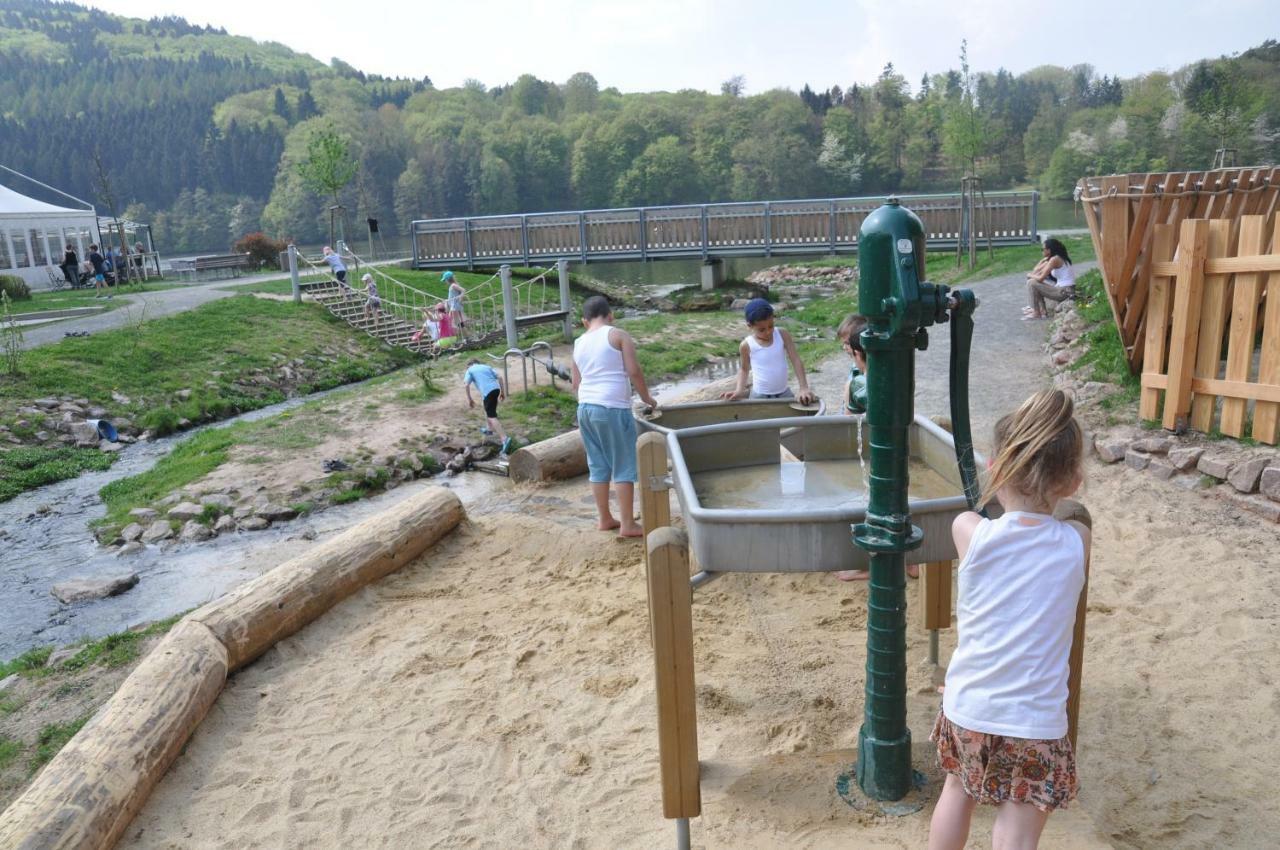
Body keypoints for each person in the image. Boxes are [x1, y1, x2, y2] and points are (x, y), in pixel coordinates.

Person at [928, 389, 1090, 850]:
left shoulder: (968, 532)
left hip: (969, 707)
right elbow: (1072, 520)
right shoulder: (1077, 541)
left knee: (956, 793)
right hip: (1035, 719)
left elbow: (981, 522)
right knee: (1017, 825)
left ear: (996, 468)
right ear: (1074, 481)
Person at [571, 295, 658, 539]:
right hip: (612, 407)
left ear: (584, 321)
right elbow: (634, 371)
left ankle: (605, 519)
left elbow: (575, 383)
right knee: (623, 465)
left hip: (585, 408)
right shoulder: (618, 335)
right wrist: (647, 399)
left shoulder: (578, 342)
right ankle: (628, 524)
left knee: (597, 465)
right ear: (611, 315)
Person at [720, 298, 815, 403]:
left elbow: (796, 360)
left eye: (771, 326)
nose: (768, 332)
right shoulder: (747, 345)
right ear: (749, 326)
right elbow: (744, 369)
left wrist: (803, 387)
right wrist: (739, 390)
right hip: (759, 396)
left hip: (784, 393)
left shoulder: (782, 334)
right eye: (761, 329)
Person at [464, 359, 511, 455]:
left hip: (488, 392)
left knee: (491, 416)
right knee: (488, 409)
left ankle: (504, 439)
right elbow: (500, 377)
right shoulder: (487, 367)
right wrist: (502, 392)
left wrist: (469, 399)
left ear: (470, 365)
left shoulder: (470, 370)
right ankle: (489, 429)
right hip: (496, 389)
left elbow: (466, 385)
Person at [1023, 238, 1076, 321]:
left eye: (1043, 249)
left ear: (1049, 250)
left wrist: (1029, 275)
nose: (1042, 251)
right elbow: (1037, 271)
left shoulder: (1055, 259)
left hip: (1065, 291)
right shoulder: (1058, 257)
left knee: (1032, 282)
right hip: (1065, 289)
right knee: (1034, 282)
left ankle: (1036, 312)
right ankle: (1042, 311)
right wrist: (1042, 261)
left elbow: (1041, 278)